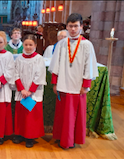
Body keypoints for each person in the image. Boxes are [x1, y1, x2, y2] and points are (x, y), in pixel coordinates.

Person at [48, 13, 98, 149]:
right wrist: (54, 82)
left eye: (76, 26)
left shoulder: (87, 45)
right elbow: (55, 65)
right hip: (63, 84)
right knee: (62, 114)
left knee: (74, 115)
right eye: (70, 26)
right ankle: (61, 138)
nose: (73, 29)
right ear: (67, 27)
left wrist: (86, 85)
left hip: (78, 86)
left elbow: (89, 66)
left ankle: (71, 139)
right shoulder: (62, 44)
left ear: (81, 26)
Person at [13, 34, 46, 148]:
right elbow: (15, 74)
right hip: (21, 91)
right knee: (21, 114)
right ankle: (20, 134)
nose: (28, 47)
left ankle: (30, 137)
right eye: (26, 44)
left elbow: (39, 76)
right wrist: (22, 89)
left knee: (31, 116)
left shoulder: (39, 59)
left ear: (35, 46)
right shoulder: (19, 59)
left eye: (30, 45)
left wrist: (30, 91)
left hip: (33, 93)